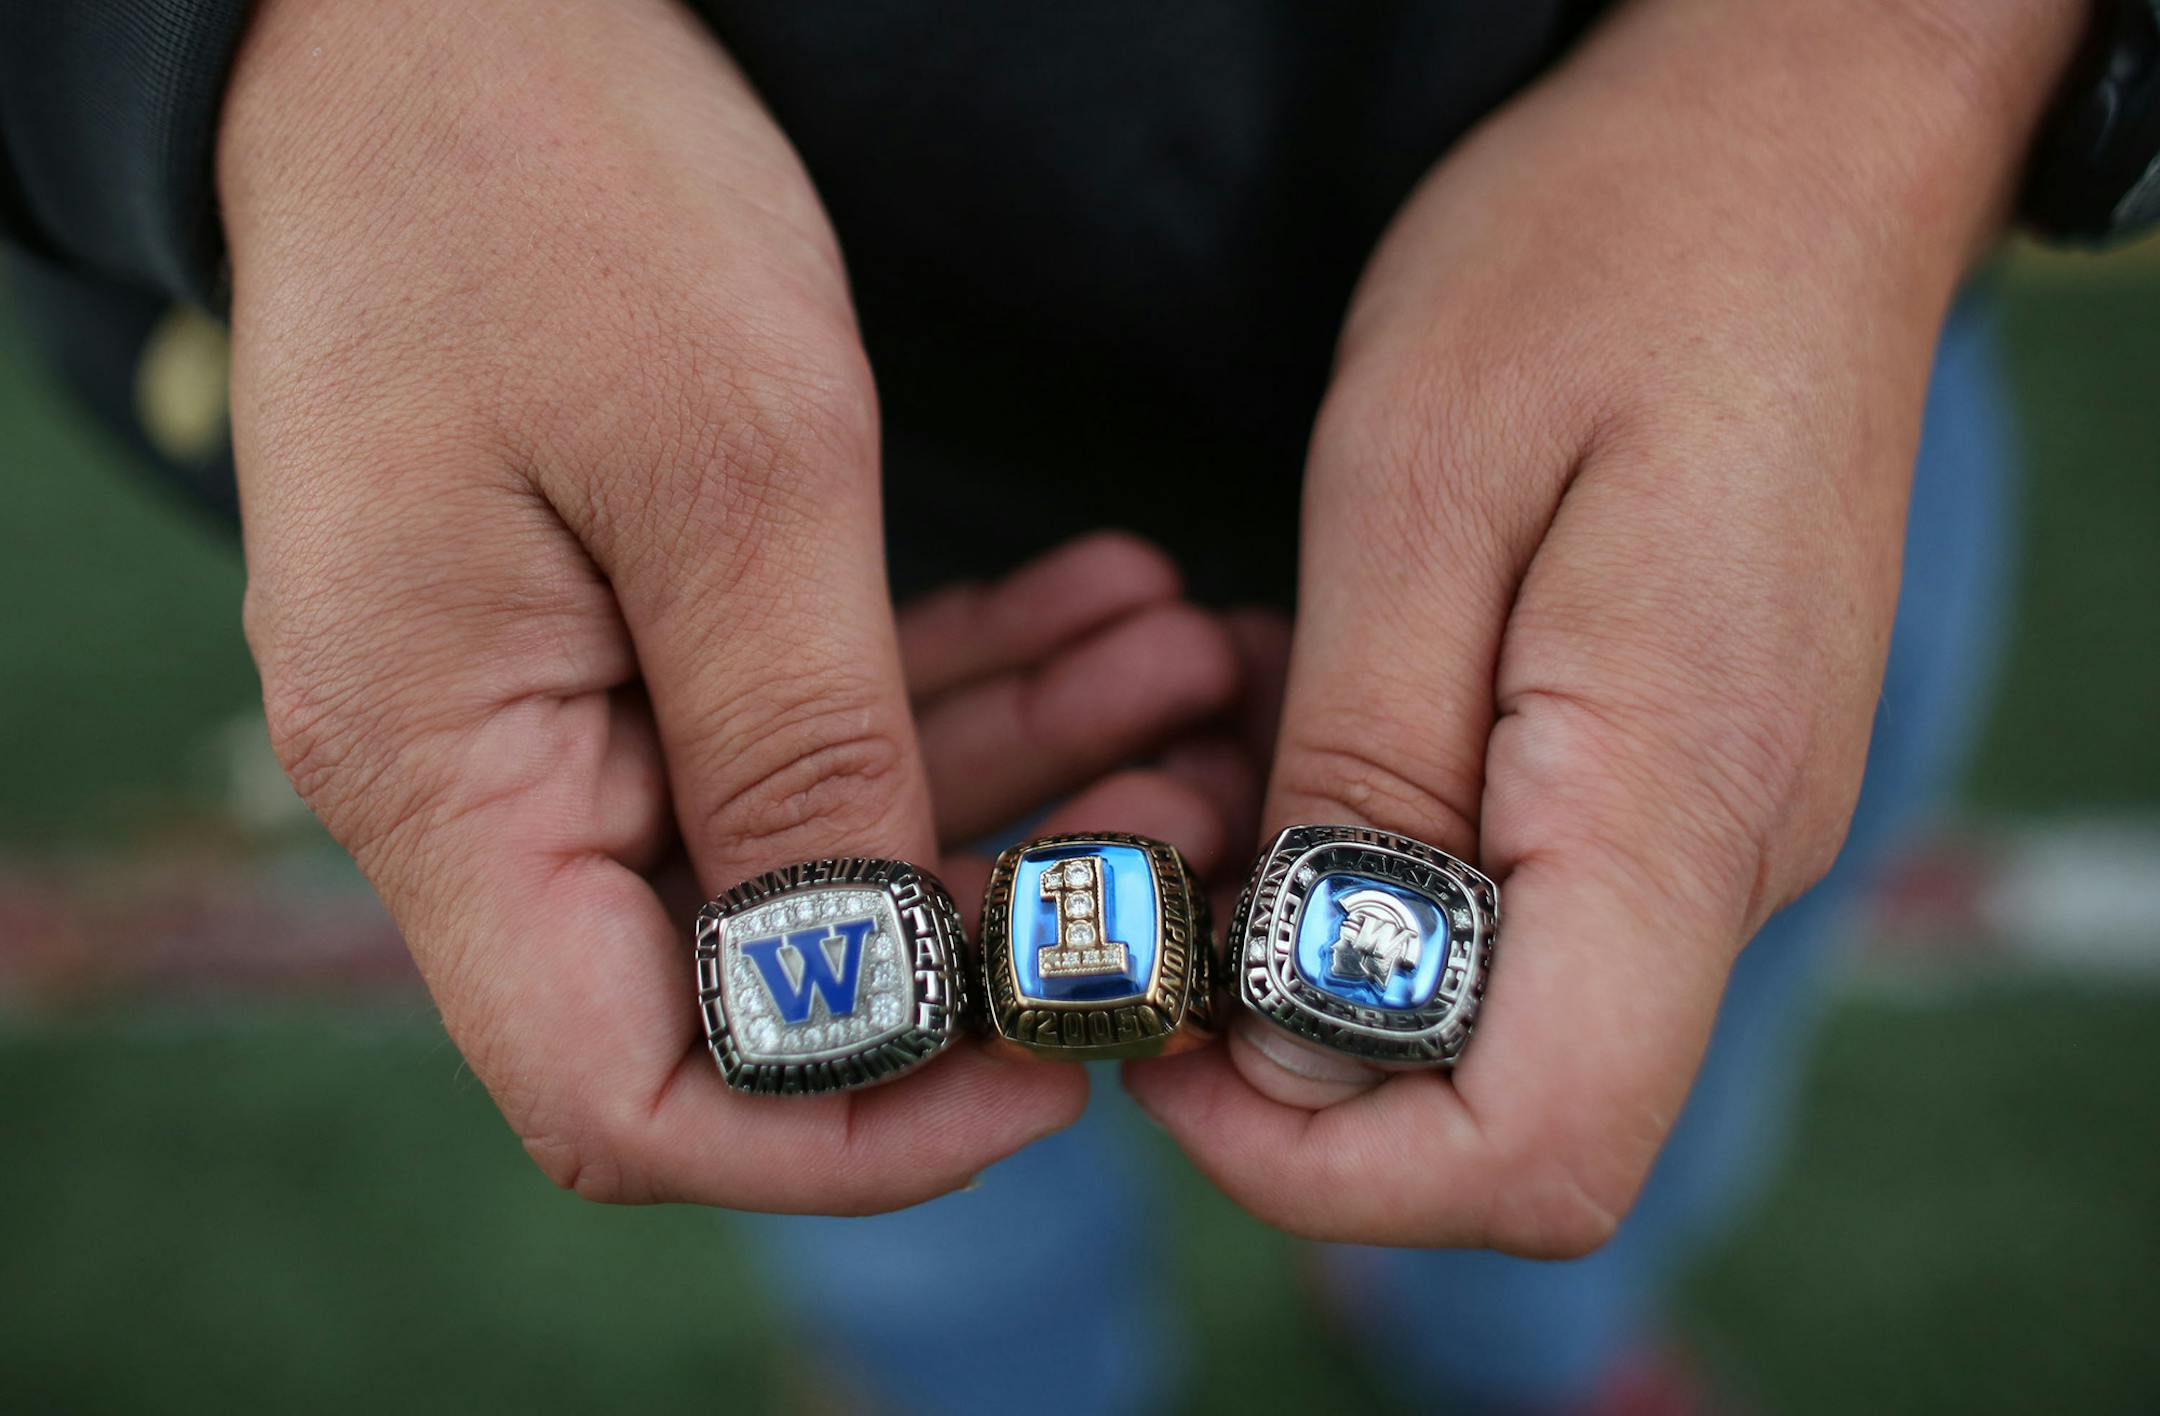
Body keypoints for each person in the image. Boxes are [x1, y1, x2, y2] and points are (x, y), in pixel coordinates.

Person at [2, 0, 2136, 1408]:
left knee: (1666, 1026)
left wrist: (1871, 70)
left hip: (1728, 356)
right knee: (879, 1169)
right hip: (610, 482)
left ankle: (1532, 1345)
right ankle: (972, 1374)